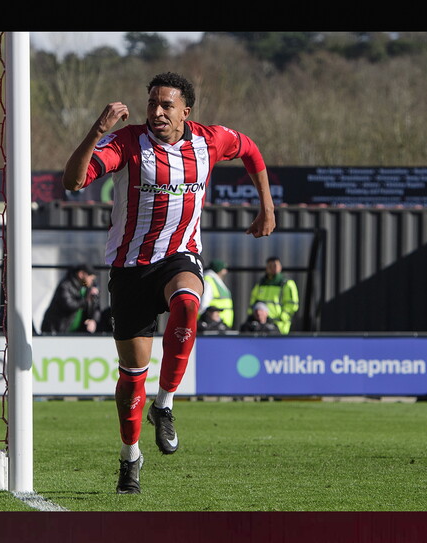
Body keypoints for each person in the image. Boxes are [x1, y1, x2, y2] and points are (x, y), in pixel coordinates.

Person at [62, 71, 275, 493]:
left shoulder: (209, 141)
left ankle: (165, 404)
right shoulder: (127, 143)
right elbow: (73, 181)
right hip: (129, 268)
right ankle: (130, 456)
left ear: (185, 111)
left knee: (188, 304)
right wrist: (97, 130)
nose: (157, 112)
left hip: (179, 257)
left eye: (166, 105)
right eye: (152, 104)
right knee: (131, 378)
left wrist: (266, 205)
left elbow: (250, 150)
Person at [40, 264, 100, 334]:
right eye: (90, 278)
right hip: (57, 329)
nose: (92, 281)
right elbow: (69, 305)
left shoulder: (87, 287)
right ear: (81, 274)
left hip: (78, 332)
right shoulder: (66, 285)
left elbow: (96, 307)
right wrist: (87, 300)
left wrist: (93, 320)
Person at [248, 256, 299, 335]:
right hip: (261, 325)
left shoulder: (286, 283)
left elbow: (292, 305)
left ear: (280, 267)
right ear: (266, 268)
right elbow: (253, 301)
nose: (273, 268)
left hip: (278, 325)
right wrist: (253, 316)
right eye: (270, 266)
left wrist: (282, 318)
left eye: (276, 265)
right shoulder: (261, 283)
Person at [199, 259, 234, 331]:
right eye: (224, 269)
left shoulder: (215, 280)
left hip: (221, 322)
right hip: (213, 323)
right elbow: (204, 301)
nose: (225, 271)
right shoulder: (208, 280)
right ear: (218, 269)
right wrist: (204, 318)